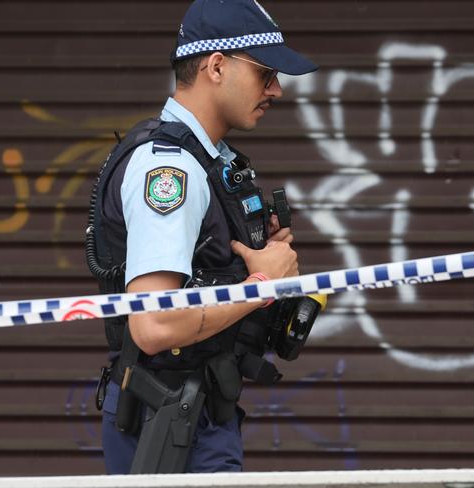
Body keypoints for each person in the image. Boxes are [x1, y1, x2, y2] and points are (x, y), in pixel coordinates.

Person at [88, 0, 318, 474]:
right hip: (171, 423)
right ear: (217, 66)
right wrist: (259, 286)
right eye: (265, 73)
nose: (275, 89)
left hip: (197, 414)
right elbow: (153, 327)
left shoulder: (210, 162)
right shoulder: (169, 170)